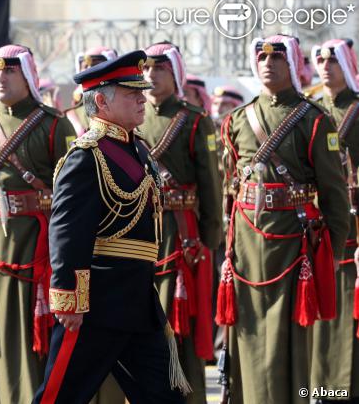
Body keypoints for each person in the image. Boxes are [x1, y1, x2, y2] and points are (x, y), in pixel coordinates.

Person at [33, 49, 190, 404]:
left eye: (141, 92)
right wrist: (69, 299)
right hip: (97, 305)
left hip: (137, 301)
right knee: (60, 396)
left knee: (167, 396)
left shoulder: (137, 150)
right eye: (132, 94)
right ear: (101, 101)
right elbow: (67, 230)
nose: (142, 99)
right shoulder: (87, 156)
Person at [216, 34, 349, 404]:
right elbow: (229, 187)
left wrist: (331, 254)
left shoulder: (315, 120)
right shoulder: (237, 120)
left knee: (285, 341)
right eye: (261, 57)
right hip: (245, 246)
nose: (267, 64)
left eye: (277, 58)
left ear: (292, 66)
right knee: (246, 333)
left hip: (292, 246)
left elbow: (335, 198)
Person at [0, 44, 75, 404]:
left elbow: (69, 194)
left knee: (33, 334)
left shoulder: (54, 123)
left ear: (27, 75)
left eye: (10, 71)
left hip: (37, 244)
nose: (1, 78)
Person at [137, 41, 222, 404]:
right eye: (146, 69)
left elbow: (211, 185)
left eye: (159, 69)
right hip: (139, 234)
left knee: (180, 325)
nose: (151, 76)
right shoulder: (132, 118)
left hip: (180, 236)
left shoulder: (195, 120)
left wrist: (209, 237)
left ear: (175, 74)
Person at [310, 38, 359, 403]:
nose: (326, 66)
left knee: (344, 309)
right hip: (311, 221)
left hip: (352, 224)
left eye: (333, 60)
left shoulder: (356, 109)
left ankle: (342, 389)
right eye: (320, 60)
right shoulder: (307, 109)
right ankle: (314, 384)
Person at [64, 47, 117, 137]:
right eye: (85, 66)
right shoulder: (72, 114)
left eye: (95, 65)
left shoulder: (123, 106)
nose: (88, 71)